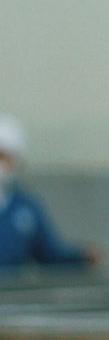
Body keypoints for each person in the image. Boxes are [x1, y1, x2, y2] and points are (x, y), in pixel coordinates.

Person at [0, 116, 96, 271]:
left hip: (11, 293)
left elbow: (49, 253)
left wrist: (80, 257)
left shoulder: (24, 207)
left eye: (4, 157)